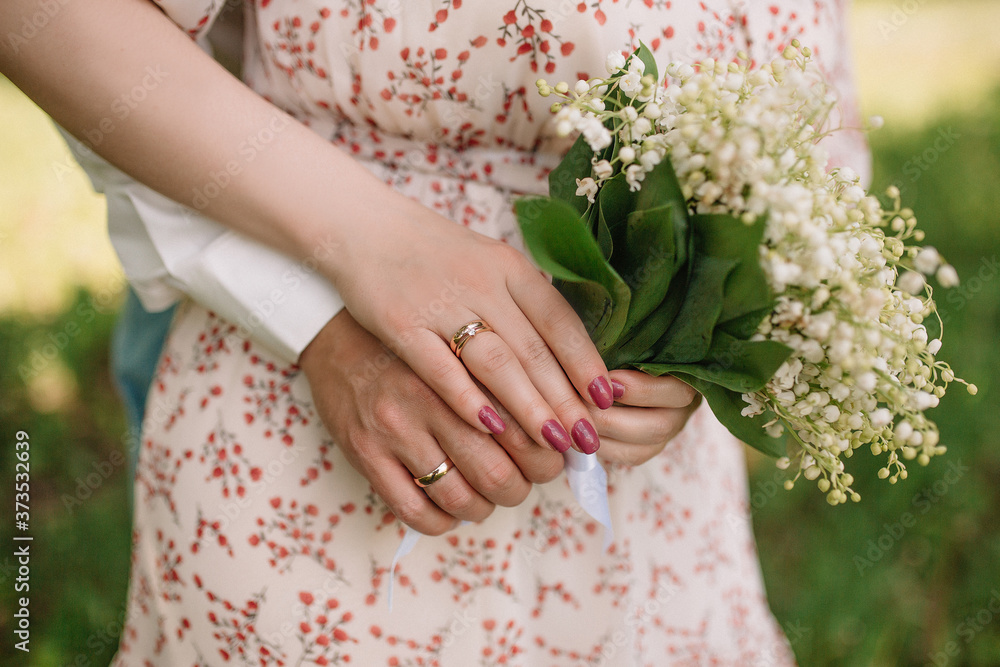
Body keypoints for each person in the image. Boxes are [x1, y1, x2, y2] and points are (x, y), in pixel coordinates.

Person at [1, 0, 870, 663]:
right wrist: (333, 286)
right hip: (316, 442)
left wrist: (695, 334)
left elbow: (818, 158)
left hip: (659, 521)